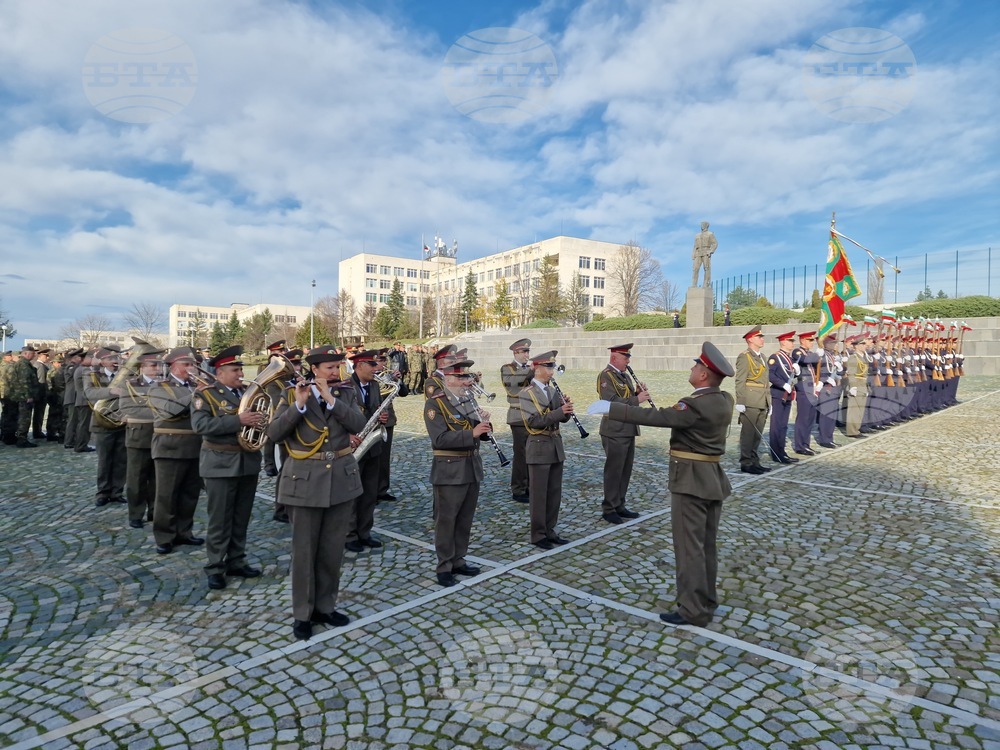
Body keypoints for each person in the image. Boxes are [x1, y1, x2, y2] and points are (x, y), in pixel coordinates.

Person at [587, 341, 735, 627]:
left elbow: (658, 416)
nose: (692, 368)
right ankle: (706, 600)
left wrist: (612, 408)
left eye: (696, 366)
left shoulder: (694, 404)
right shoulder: (724, 399)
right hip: (711, 479)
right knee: (706, 546)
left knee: (689, 548)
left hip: (690, 481)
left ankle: (693, 610)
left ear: (704, 374)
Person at [268, 345, 367, 640]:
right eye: (329, 368)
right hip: (305, 480)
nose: (335, 372)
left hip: (340, 479)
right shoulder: (291, 394)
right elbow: (274, 434)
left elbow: (359, 424)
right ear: (314, 369)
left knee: (332, 550)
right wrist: (299, 406)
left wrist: (331, 400)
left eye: (338, 367)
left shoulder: (345, 393)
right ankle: (303, 613)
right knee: (304, 552)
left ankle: (325, 606)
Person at [191, 346, 263, 590]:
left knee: (241, 517)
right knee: (219, 519)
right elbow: (201, 426)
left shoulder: (248, 394)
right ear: (220, 372)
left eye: (240, 369)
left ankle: (236, 560)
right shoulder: (205, 395)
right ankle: (215, 566)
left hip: (247, 462)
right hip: (220, 463)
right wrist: (237, 421)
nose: (240, 373)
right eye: (235, 370)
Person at [424, 356, 487, 586]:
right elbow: (439, 439)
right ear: (449, 379)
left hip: (471, 467)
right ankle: (444, 566)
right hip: (449, 470)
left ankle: (459, 559)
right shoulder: (435, 403)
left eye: (467, 376)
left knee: (464, 519)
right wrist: (472, 433)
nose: (467, 381)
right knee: (446, 520)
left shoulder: (468, 400)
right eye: (461, 377)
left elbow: (478, 433)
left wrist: (484, 426)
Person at [148, 347, 204, 555]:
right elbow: (170, 410)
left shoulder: (196, 386)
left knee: (190, 494)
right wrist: (197, 393)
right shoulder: (159, 387)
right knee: (167, 495)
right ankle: (164, 537)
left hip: (195, 446)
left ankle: (184, 532)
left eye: (193, 365)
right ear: (173, 367)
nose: (192, 369)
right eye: (186, 365)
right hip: (169, 447)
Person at [519, 351, 573, 550]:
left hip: (555, 445)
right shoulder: (526, 393)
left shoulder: (552, 391)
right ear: (537, 368)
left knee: (554, 492)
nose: (552, 371)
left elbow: (560, 418)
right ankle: (538, 534)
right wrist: (559, 412)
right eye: (548, 367)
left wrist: (566, 411)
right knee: (539, 494)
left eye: (552, 367)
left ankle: (550, 529)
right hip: (539, 446)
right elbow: (533, 422)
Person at [345, 349, 387, 552]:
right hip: (353, 445)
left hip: (372, 446)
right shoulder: (345, 387)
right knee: (352, 493)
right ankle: (349, 534)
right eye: (372, 365)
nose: (376, 368)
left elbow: (376, 408)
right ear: (359, 365)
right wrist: (346, 436)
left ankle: (364, 532)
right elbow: (337, 416)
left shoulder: (375, 385)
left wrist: (383, 417)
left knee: (369, 492)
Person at [596, 343, 643, 524]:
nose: (628, 361)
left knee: (625, 470)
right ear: (614, 357)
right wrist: (636, 400)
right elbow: (610, 402)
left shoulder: (625, 376)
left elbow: (626, 397)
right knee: (614, 471)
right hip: (614, 430)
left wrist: (636, 393)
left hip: (628, 428)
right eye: (625, 358)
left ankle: (619, 504)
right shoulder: (605, 376)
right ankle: (609, 508)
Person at [121, 347, 164, 528]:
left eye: (159, 365)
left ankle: (155, 511)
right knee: (136, 478)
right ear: (142, 367)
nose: (157, 369)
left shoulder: (165, 384)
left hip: (160, 436)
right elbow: (127, 408)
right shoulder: (130, 384)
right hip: (138, 436)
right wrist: (160, 413)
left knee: (157, 478)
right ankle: (136, 514)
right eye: (153, 365)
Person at [84, 347, 128, 504]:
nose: (115, 361)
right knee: (104, 460)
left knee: (121, 460)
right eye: (110, 359)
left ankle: (117, 491)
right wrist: (111, 391)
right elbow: (89, 393)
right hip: (102, 423)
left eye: (116, 358)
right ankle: (102, 493)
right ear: (102, 361)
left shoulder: (125, 375)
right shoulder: (92, 374)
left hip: (122, 422)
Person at [734, 326, 771, 475]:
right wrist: (740, 401)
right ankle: (746, 462)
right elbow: (740, 380)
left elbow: (766, 381)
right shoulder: (744, 357)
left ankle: (755, 461)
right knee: (748, 434)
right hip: (750, 400)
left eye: (762, 337)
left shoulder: (763, 357)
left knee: (757, 434)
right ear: (750, 339)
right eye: (759, 337)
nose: (762, 339)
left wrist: (769, 402)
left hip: (762, 400)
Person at [500, 338, 533, 504]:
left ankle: (531, 486)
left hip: (534, 415)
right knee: (521, 455)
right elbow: (512, 385)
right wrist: (530, 371)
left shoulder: (530, 369)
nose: (527, 355)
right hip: (518, 416)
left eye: (528, 351)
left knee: (533, 453)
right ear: (516, 353)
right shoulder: (508, 368)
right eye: (524, 352)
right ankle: (518, 489)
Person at [375, 349, 408, 503]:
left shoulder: (387, 376)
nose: (383, 363)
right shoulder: (370, 378)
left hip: (388, 420)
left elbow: (403, 393)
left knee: (384, 458)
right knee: (372, 459)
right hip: (372, 420)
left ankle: (382, 489)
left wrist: (398, 380)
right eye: (379, 361)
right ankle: (370, 492)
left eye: (383, 360)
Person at [767, 332, 799, 465]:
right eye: (790, 341)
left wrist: (797, 373)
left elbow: (791, 377)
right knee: (777, 425)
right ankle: (776, 453)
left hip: (788, 394)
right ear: (783, 342)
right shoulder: (775, 357)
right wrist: (783, 384)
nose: (793, 343)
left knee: (783, 425)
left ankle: (782, 451)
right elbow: (770, 375)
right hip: (778, 394)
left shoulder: (790, 359)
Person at [791, 331, 819, 456]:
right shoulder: (797, 352)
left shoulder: (811, 354)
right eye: (810, 340)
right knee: (803, 418)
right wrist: (819, 355)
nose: (812, 342)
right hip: (803, 388)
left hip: (812, 388)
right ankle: (800, 446)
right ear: (802, 341)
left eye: (813, 340)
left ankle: (806, 444)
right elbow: (805, 360)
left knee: (810, 418)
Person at [815, 334, 842, 449]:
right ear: (827, 344)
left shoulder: (832, 355)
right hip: (826, 388)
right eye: (833, 343)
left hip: (833, 387)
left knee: (832, 415)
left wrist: (839, 371)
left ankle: (829, 438)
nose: (836, 345)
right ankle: (824, 439)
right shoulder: (822, 355)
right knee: (826, 415)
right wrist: (825, 379)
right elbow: (817, 371)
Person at [11, 345, 40, 448]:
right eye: (32, 353)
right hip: (24, 396)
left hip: (22, 395)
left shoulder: (24, 364)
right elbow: (24, 381)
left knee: (23, 417)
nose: (34, 355)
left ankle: (21, 437)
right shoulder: (23, 365)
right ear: (26, 354)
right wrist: (28, 396)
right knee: (24, 418)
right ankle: (22, 439)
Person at [843, 335, 871, 438]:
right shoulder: (853, 358)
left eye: (865, 344)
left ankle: (856, 429)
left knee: (860, 410)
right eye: (862, 344)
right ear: (856, 346)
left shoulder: (862, 357)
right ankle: (852, 431)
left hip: (862, 385)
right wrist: (853, 386)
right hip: (857, 385)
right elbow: (851, 373)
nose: (865, 346)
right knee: (854, 410)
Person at [72, 349, 95, 453]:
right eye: (90, 358)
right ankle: (81, 445)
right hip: (84, 400)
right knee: (84, 425)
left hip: (81, 399)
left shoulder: (80, 369)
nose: (92, 360)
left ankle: (81, 444)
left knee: (83, 424)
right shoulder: (84, 370)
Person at [61, 349, 83, 450]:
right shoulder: (71, 366)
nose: (81, 359)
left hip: (75, 397)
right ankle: (69, 441)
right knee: (72, 420)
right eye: (80, 357)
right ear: (75, 358)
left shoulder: (75, 366)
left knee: (76, 420)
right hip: (72, 397)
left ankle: (73, 440)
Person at [691, 221, 717, 287]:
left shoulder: (710, 234)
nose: (702, 225)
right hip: (698, 252)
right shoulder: (697, 235)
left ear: (707, 225)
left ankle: (706, 284)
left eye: (703, 224)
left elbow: (715, 243)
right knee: (695, 268)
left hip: (706, 252)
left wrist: (710, 251)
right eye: (701, 224)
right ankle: (694, 284)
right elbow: (695, 246)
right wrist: (693, 254)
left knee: (706, 268)